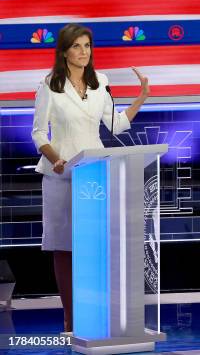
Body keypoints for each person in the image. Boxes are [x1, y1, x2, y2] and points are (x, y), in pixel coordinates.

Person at [31, 23, 150, 332]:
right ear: (64, 51)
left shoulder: (101, 83)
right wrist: (55, 157)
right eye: (76, 46)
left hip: (95, 173)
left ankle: (96, 315)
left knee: (94, 246)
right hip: (61, 174)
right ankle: (71, 318)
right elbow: (38, 132)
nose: (83, 52)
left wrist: (142, 98)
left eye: (87, 46)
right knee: (65, 246)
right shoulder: (49, 86)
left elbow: (116, 124)